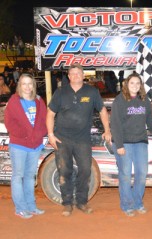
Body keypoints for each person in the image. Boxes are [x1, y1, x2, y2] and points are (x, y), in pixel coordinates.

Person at [46, 63, 111, 216]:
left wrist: (107, 130)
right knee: (64, 171)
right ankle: (67, 203)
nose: (75, 76)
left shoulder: (92, 92)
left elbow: (102, 111)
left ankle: (82, 202)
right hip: (62, 139)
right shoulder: (61, 92)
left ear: (83, 75)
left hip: (83, 139)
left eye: (78, 73)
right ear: (68, 76)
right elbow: (50, 114)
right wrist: (50, 134)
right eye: (72, 73)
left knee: (85, 171)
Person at [110, 73, 152, 217]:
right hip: (124, 143)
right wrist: (119, 145)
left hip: (140, 141)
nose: (135, 86)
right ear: (126, 84)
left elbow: (149, 118)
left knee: (141, 174)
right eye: (132, 83)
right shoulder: (119, 100)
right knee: (126, 175)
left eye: (137, 83)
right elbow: (114, 124)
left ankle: (137, 203)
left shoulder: (144, 100)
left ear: (140, 85)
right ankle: (126, 205)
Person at [4, 73, 47, 219]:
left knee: (29, 176)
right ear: (19, 85)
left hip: (35, 145)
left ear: (33, 85)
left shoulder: (39, 101)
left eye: (30, 83)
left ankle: (31, 206)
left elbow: (44, 120)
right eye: (24, 83)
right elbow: (9, 123)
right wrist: (24, 134)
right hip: (19, 145)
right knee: (18, 176)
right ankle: (20, 208)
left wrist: (39, 134)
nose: (27, 87)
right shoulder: (14, 101)